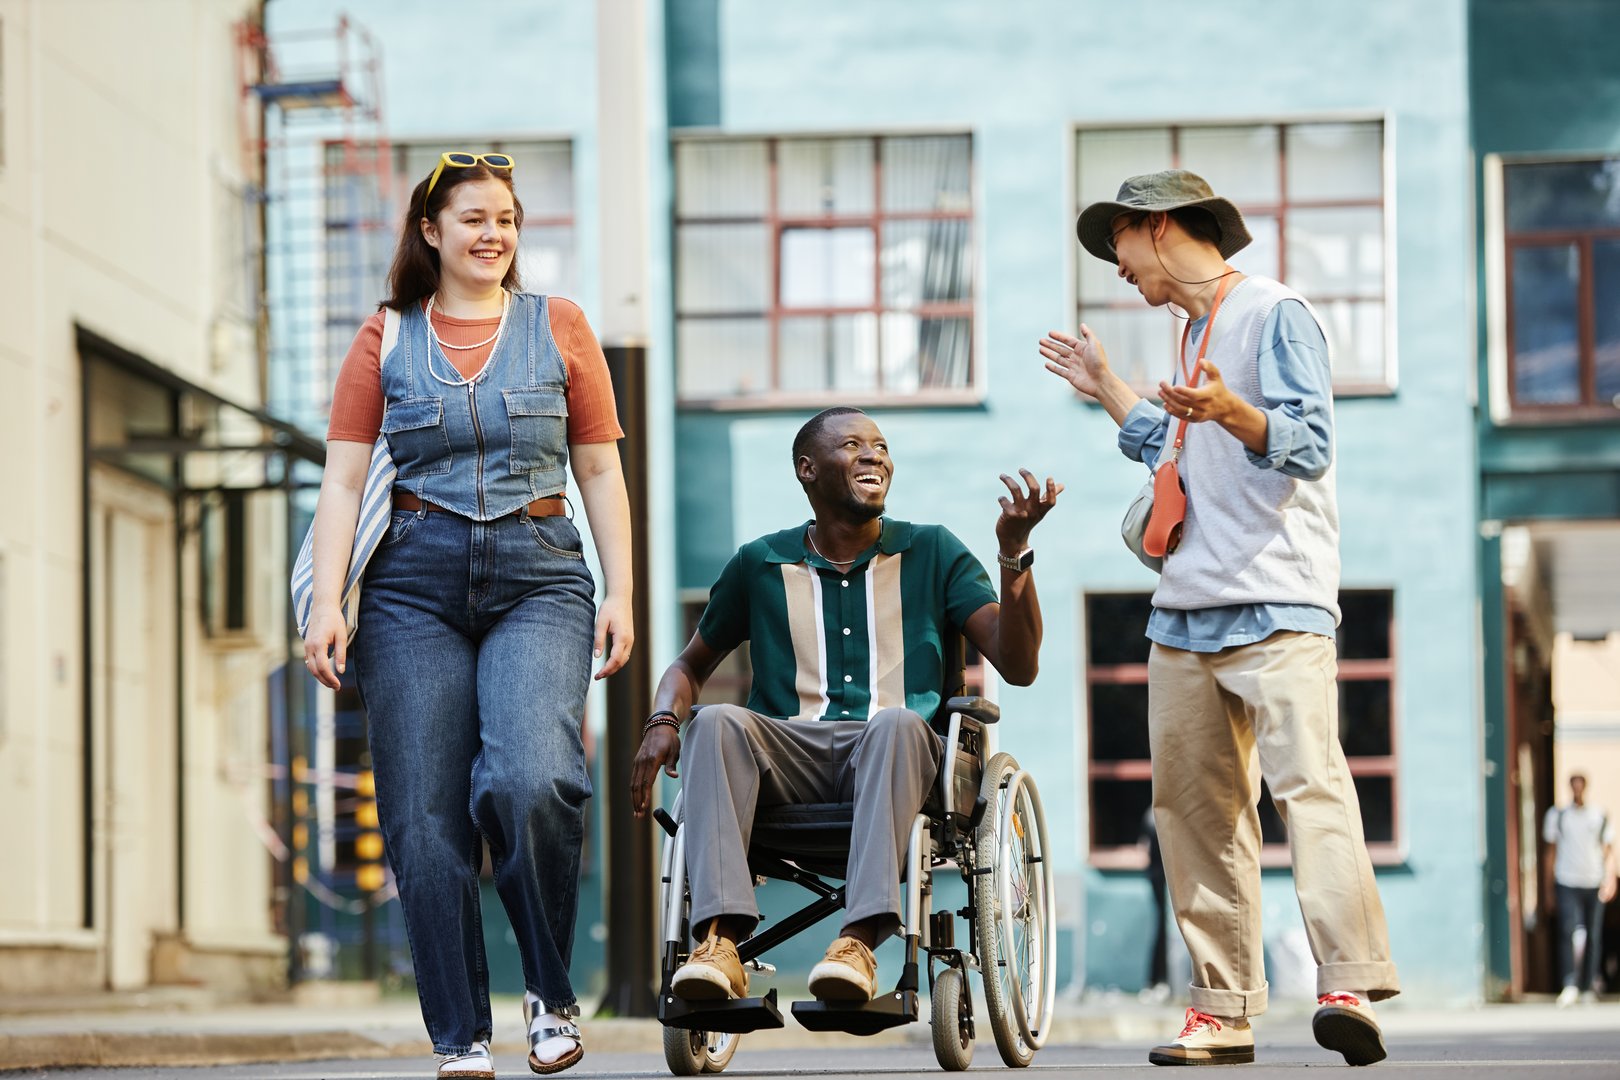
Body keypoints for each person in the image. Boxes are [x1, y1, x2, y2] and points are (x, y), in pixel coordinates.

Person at [1040, 170, 1398, 1067]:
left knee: (1309, 787)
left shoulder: (1274, 312)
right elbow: (1177, 450)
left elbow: (1308, 444)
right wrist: (1110, 389)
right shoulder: (1193, 332)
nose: (1113, 266)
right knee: (1195, 815)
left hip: (1280, 600)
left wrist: (1232, 409)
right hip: (1184, 614)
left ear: (1157, 228)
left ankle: (1349, 980)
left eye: (1115, 243)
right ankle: (1221, 1009)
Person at [302, 151, 633, 1079]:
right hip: (412, 582)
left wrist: (623, 590)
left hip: (540, 574)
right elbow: (343, 478)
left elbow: (600, 468)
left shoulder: (560, 328)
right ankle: (460, 1032)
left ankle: (548, 990)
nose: (495, 234)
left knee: (531, 780)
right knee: (420, 814)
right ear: (431, 231)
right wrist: (328, 601)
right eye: (475, 218)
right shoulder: (385, 337)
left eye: (509, 219)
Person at [628, 407, 1060, 1004]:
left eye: (880, 446)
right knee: (717, 720)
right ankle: (720, 944)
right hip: (791, 759)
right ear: (808, 470)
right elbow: (689, 666)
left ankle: (857, 943)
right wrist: (662, 719)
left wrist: (1013, 554)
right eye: (852, 445)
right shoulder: (760, 563)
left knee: (897, 723)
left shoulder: (933, 551)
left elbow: (1021, 664)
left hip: (898, 754)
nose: (873, 455)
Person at [1543, 772, 1617, 1006]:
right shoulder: (1558, 815)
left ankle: (1588, 985)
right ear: (1569, 788)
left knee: (1594, 935)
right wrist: (1547, 888)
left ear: (1585, 787)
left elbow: (1607, 850)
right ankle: (1570, 983)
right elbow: (1550, 852)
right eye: (1573, 786)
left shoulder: (1598, 815)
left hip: (1593, 881)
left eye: (1580, 786)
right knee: (1567, 931)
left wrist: (1611, 879)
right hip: (1566, 880)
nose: (1577, 790)